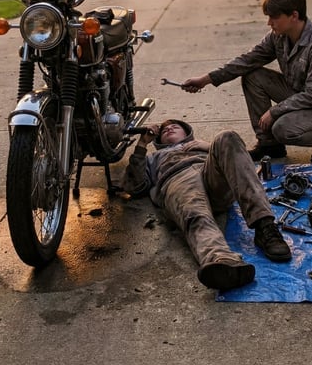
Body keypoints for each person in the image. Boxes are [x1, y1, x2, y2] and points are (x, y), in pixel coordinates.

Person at [182, 0, 312, 163]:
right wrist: (206, 79)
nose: (269, 22)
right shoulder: (278, 35)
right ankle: (269, 145)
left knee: (283, 129)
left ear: (294, 15)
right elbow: (248, 60)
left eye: (274, 17)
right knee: (252, 75)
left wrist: (274, 111)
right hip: (298, 92)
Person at [122, 119, 291, 291]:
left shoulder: (201, 145)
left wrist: (208, 146)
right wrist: (142, 144)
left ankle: (265, 226)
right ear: (158, 141)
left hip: (211, 175)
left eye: (175, 126)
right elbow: (134, 187)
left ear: (187, 132)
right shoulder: (152, 158)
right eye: (164, 130)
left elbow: (238, 161)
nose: (169, 128)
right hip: (178, 180)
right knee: (196, 215)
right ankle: (221, 261)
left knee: (227, 136)